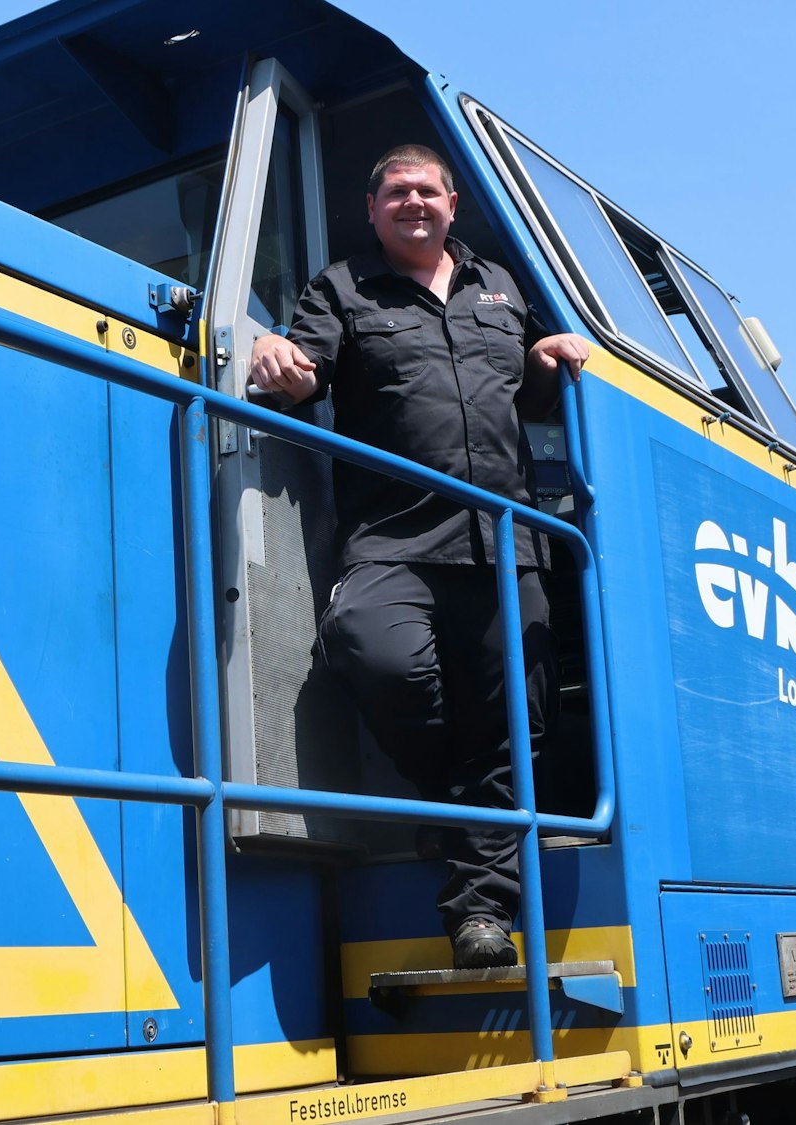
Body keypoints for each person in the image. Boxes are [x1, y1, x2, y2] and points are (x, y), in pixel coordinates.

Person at [249, 144, 590, 969]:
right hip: (395, 536)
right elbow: (304, 372)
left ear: (451, 203)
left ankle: (481, 911)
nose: (412, 201)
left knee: (513, 727)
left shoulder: (501, 287)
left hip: (507, 542)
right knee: (373, 648)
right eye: (395, 190)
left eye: (426, 190)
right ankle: (453, 801)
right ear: (373, 209)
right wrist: (273, 359)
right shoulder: (342, 286)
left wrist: (548, 360)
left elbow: (529, 400)